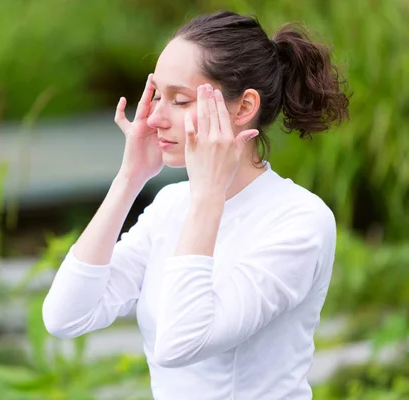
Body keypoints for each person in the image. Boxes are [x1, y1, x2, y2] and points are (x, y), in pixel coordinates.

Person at [41, 10, 350, 400]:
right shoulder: (172, 204)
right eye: (156, 96)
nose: (154, 117)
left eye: (180, 100)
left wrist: (207, 197)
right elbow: (64, 316)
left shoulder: (299, 221)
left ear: (243, 107)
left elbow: (180, 344)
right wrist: (129, 178)